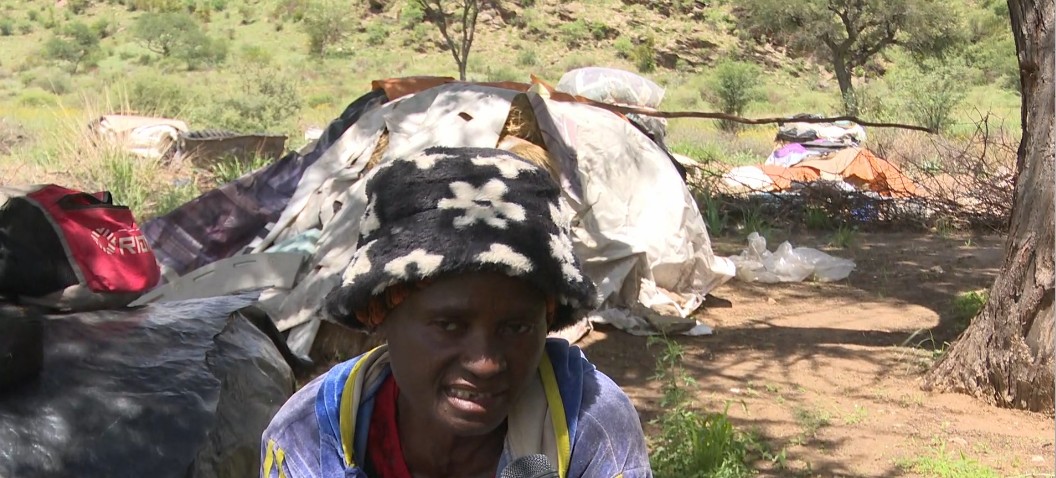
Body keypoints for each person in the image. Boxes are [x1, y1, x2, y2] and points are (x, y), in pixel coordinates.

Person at [261, 146, 652, 478]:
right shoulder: (310, 437)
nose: (486, 364)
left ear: (547, 321)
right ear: (379, 315)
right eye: (449, 325)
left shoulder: (588, 427)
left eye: (516, 327)